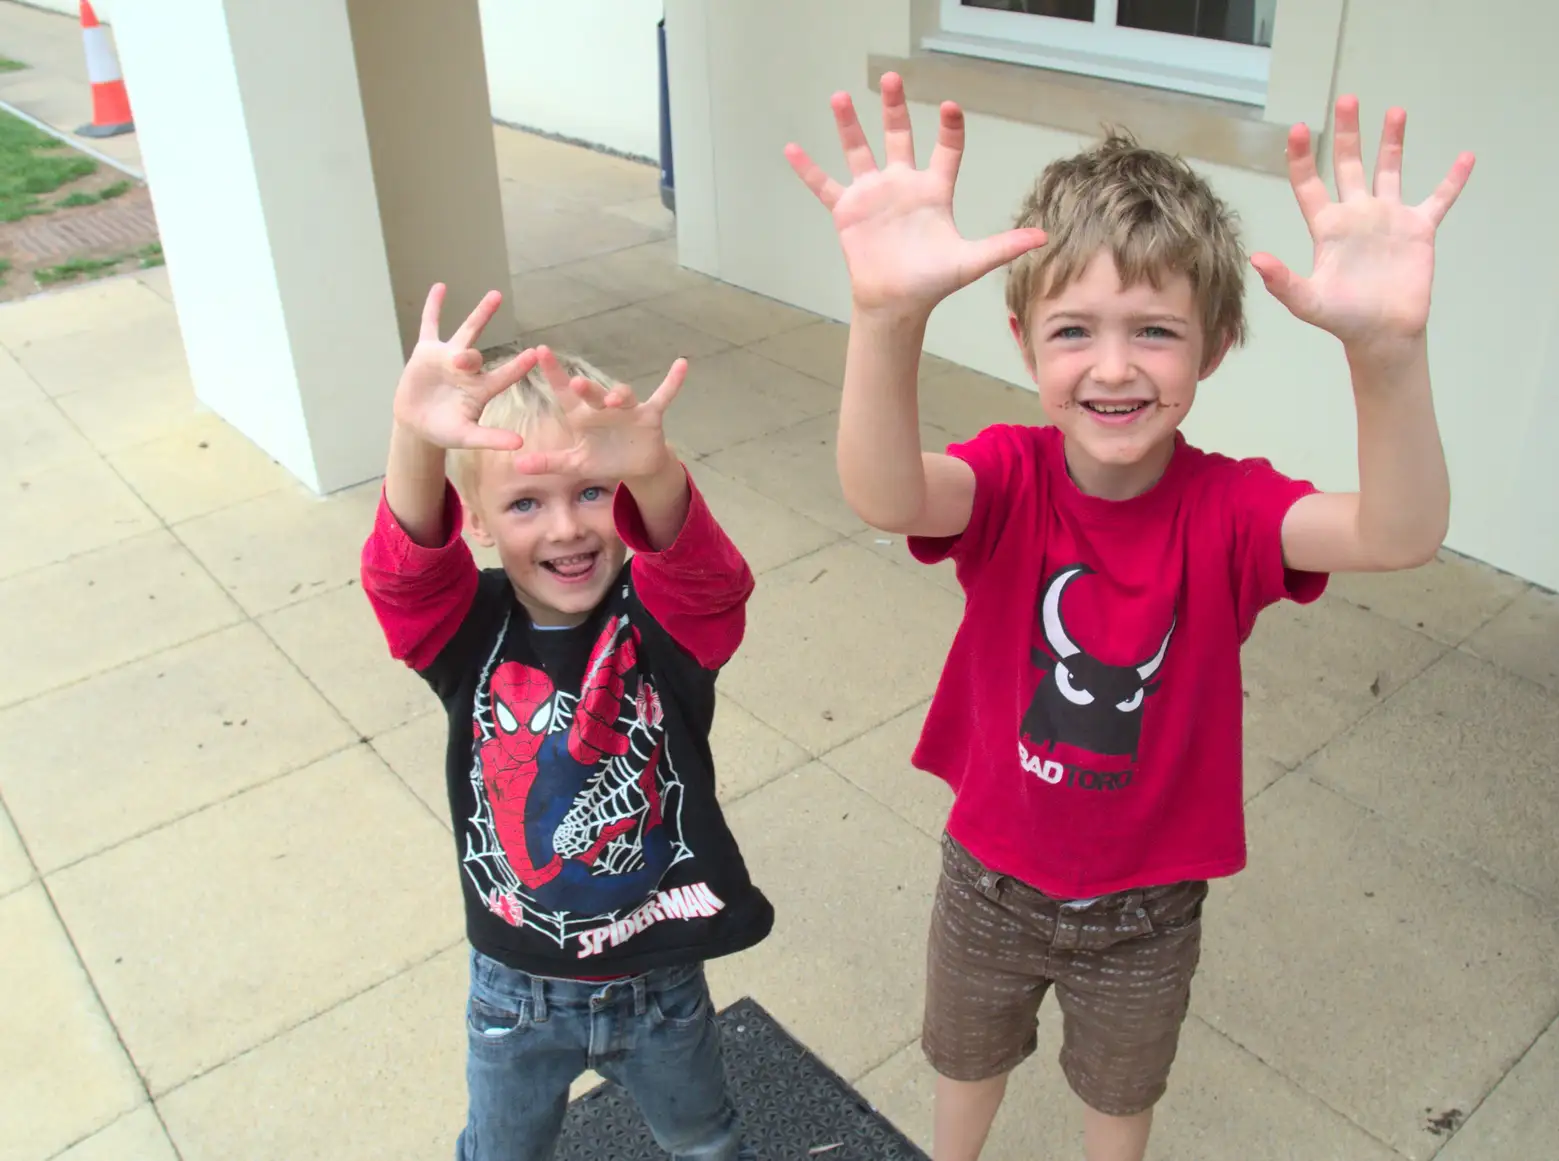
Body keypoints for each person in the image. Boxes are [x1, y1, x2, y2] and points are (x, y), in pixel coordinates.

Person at [784, 73, 1473, 1161]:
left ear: (1212, 348)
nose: (1112, 367)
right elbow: (884, 493)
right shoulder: (1005, 478)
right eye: (1073, 332)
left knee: (1121, 1094)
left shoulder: (1233, 509)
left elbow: (1399, 532)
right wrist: (886, 319)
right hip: (990, 873)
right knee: (964, 1063)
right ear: (1023, 345)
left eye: (1154, 331)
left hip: (1148, 905)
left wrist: (1386, 356)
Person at [359, 283, 771, 1161]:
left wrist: (655, 473)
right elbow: (403, 581)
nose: (565, 527)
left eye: (591, 492)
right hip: (515, 990)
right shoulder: (468, 631)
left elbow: (709, 583)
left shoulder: (662, 620)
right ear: (474, 519)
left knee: (704, 1138)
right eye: (524, 504)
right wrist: (417, 438)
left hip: (660, 972)